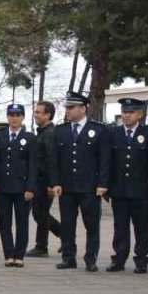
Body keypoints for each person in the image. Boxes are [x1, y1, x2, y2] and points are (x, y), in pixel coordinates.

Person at [48, 91, 111, 271]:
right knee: (68, 224)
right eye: (67, 107)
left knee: (91, 224)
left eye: (71, 107)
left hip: (90, 186)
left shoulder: (98, 130)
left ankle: (91, 258)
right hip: (67, 186)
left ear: (83, 109)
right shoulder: (60, 131)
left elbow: (104, 160)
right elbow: (54, 161)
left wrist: (103, 184)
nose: (67, 111)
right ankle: (69, 257)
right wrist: (55, 183)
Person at [107, 98, 148, 274]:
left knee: (142, 227)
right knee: (120, 227)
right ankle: (119, 259)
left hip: (141, 189)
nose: (126, 115)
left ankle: (141, 260)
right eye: (124, 112)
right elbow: (108, 161)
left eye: (130, 112)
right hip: (119, 188)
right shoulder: (113, 133)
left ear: (140, 114)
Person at [0, 103, 36, 268]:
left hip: (22, 187)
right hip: (3, 187)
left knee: (22, 222)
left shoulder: (30, 138)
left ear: (23, 117)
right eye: (11, 115)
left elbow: (33, 165)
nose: (14, 118)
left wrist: (30, 188)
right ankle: (8, 254)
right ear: (7, 117)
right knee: (4, 222)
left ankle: (19, 255)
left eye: (18, 115)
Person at [28, 101, 61, 257]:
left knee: (40, 213)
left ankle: (42, 247)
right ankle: (64, 235)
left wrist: (51, 184)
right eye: (35, 112)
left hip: (44, 182)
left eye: (38, 112)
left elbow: (51, 161)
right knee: (40, 213)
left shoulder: (49, 134)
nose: (35, 115)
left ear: (47, 115)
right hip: (39, 180)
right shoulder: (42, 132)